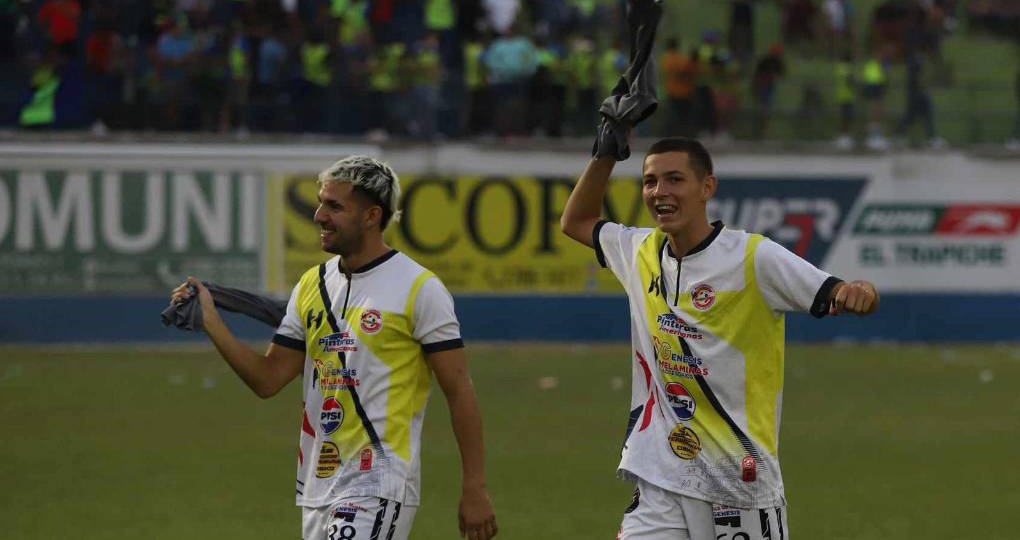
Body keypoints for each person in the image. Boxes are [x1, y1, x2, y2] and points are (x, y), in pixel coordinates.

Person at [560, 137, 879, 539]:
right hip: (661, 476)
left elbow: (838, 290)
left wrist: (861, 290)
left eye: (675, 179)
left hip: (739, 483)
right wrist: (606, 149)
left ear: (707, 188)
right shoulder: (640, 250)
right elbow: (575, 221)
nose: (660, 192)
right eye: (650, 182)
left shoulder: (753, 258)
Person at [169, 156, 498, 540]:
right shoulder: (313, 285)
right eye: (322, 202)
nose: (319, 216)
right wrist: (211, 320)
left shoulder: (419, 289)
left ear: (372, 216)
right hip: (318, 483)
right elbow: (268, 379)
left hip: (380, 480)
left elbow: (459, 391)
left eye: (335, 206)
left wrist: (475, 487)